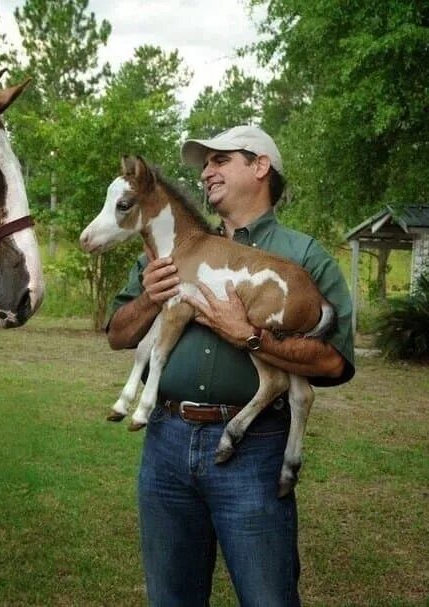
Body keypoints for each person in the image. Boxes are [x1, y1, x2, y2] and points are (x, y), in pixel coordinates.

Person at [106, 125, 355, 606]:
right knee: (170, 597)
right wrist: (148, 299)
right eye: (204, 164)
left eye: (221, 160)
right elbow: (117, 334)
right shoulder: (170, 245)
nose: (206, 171)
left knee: (267, 597)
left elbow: (333, 361)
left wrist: (251, 336)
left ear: (261, 167)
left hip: (254, 453)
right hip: (165, 444)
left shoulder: (303, 255)